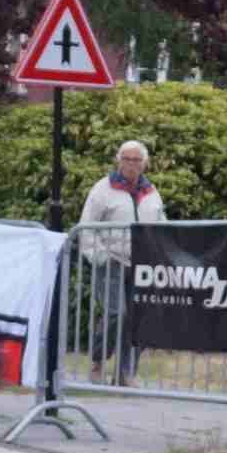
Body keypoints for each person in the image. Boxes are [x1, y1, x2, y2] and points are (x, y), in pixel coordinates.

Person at [77, 139, 164, 386]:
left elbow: (162, 223)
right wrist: (99, 256)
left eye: (137, 160)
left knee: (139, 318)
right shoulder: (103, 189)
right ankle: (97, 362)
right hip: (111, 261)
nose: (131, 164)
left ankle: (125, 374)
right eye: (127, 159)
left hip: (142, 265)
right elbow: (86, 226)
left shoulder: (151, 192)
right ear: (119, 161)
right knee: (117, 313)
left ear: (144, 164)